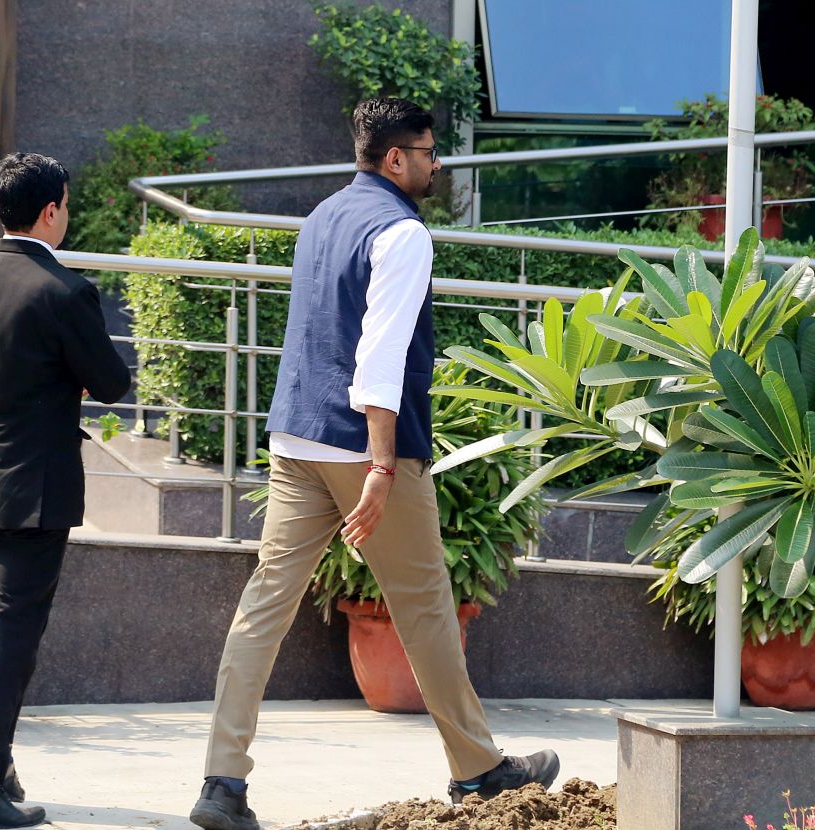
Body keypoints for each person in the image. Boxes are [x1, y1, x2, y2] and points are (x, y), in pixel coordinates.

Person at [189, 98, 559, 830]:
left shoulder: (323, 215)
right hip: (365, 447)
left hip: (296, 440)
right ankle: (479, 771)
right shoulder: (403, 232)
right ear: (396, 158)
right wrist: (384, 465)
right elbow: (380, 355)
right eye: (427, 152)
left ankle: (220, 784)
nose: (436, 164)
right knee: (424, 606)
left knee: (264, 607)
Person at [0, 152, 132, 828]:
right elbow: (115, 384)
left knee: (11, 631)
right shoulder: (65, 292)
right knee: (13, 639)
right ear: (50, 211)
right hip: (33, 491)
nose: (66, 214)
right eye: (66, 204)